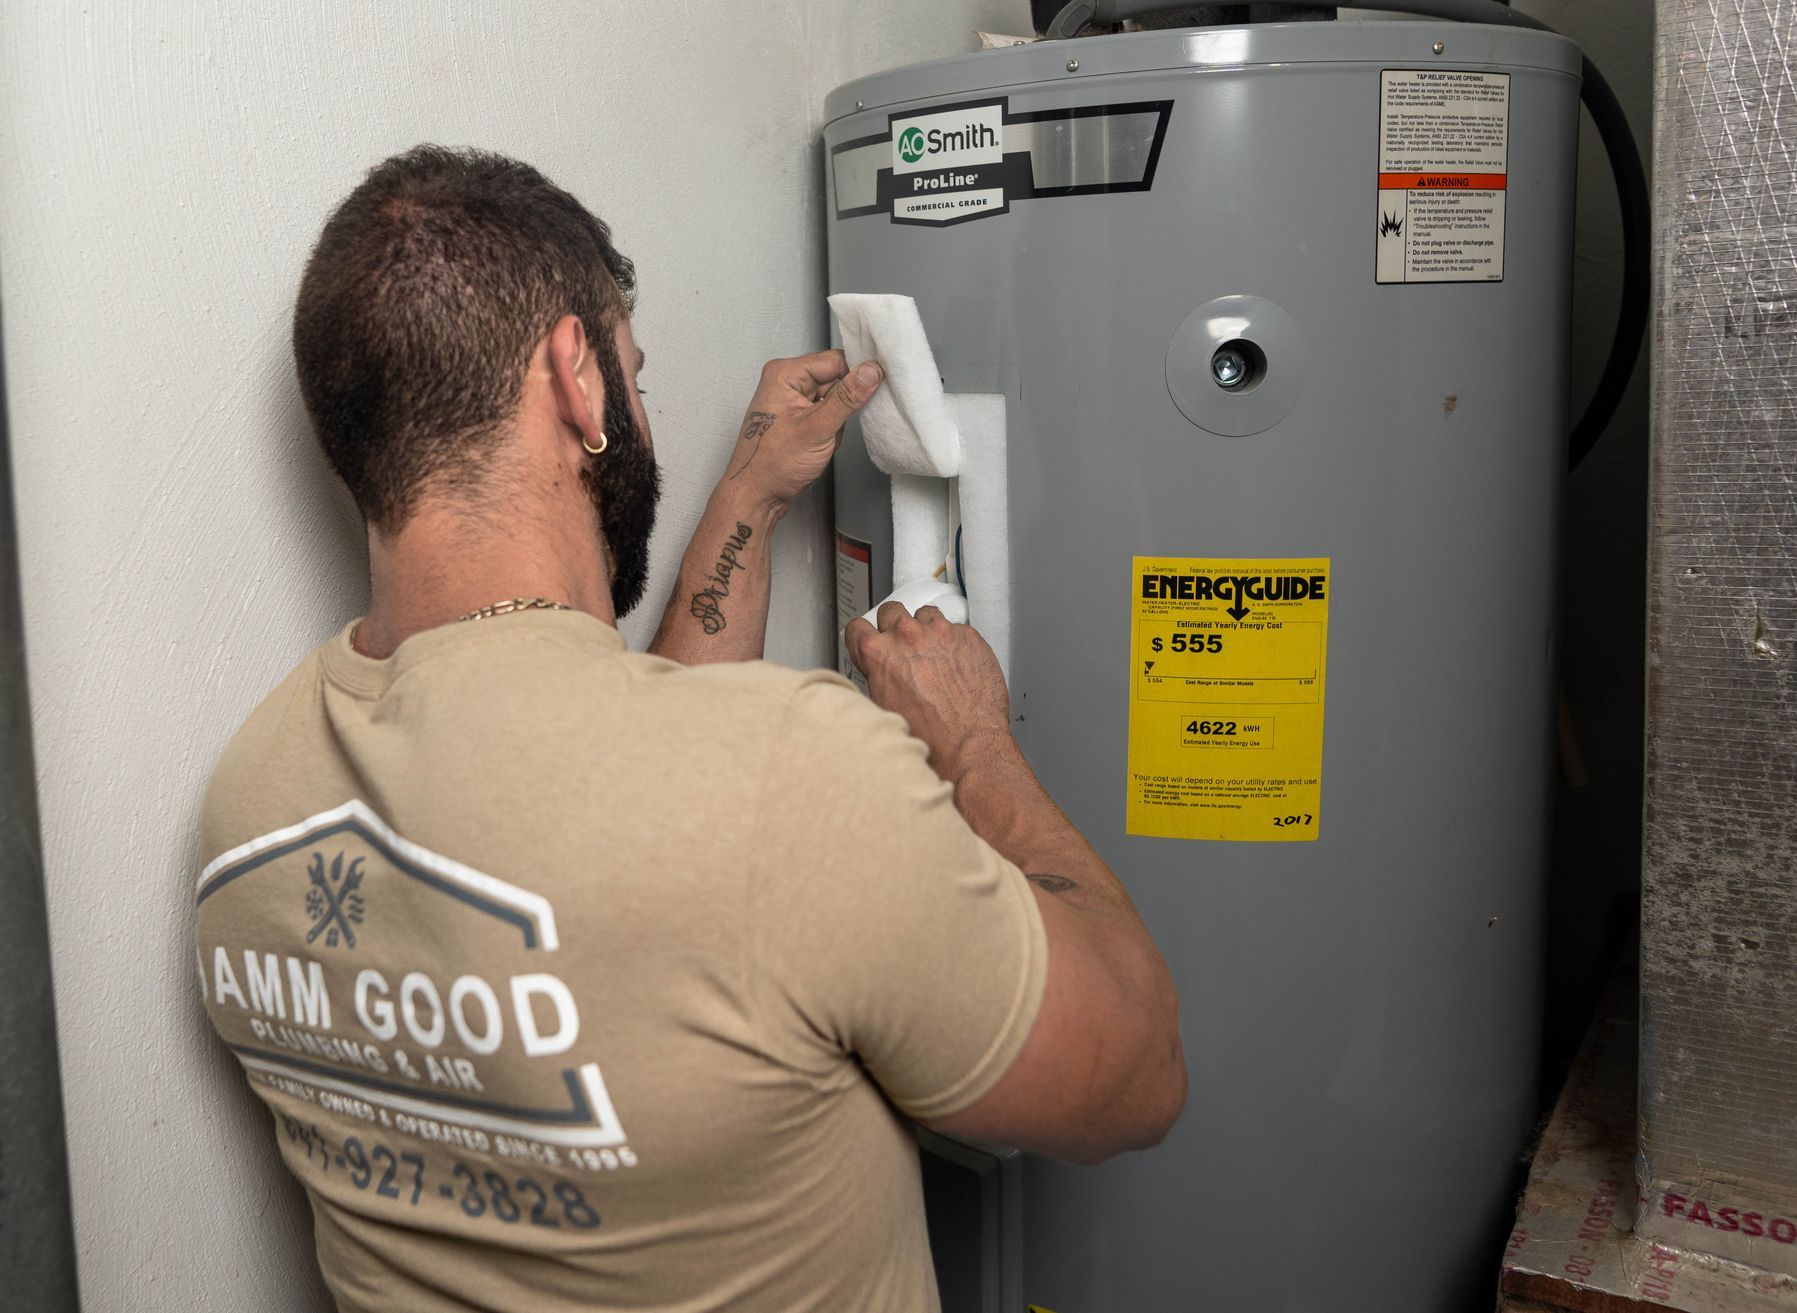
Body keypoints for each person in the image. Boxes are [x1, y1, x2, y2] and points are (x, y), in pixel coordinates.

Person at [193, 144, 1184, 1313]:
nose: (640, 405)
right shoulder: (790, 776)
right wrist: (974, 743)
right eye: (635, 373)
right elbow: (1132, 1073)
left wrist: (750, 497)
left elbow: (629, 828)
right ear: (576, 379)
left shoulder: (252, 804)